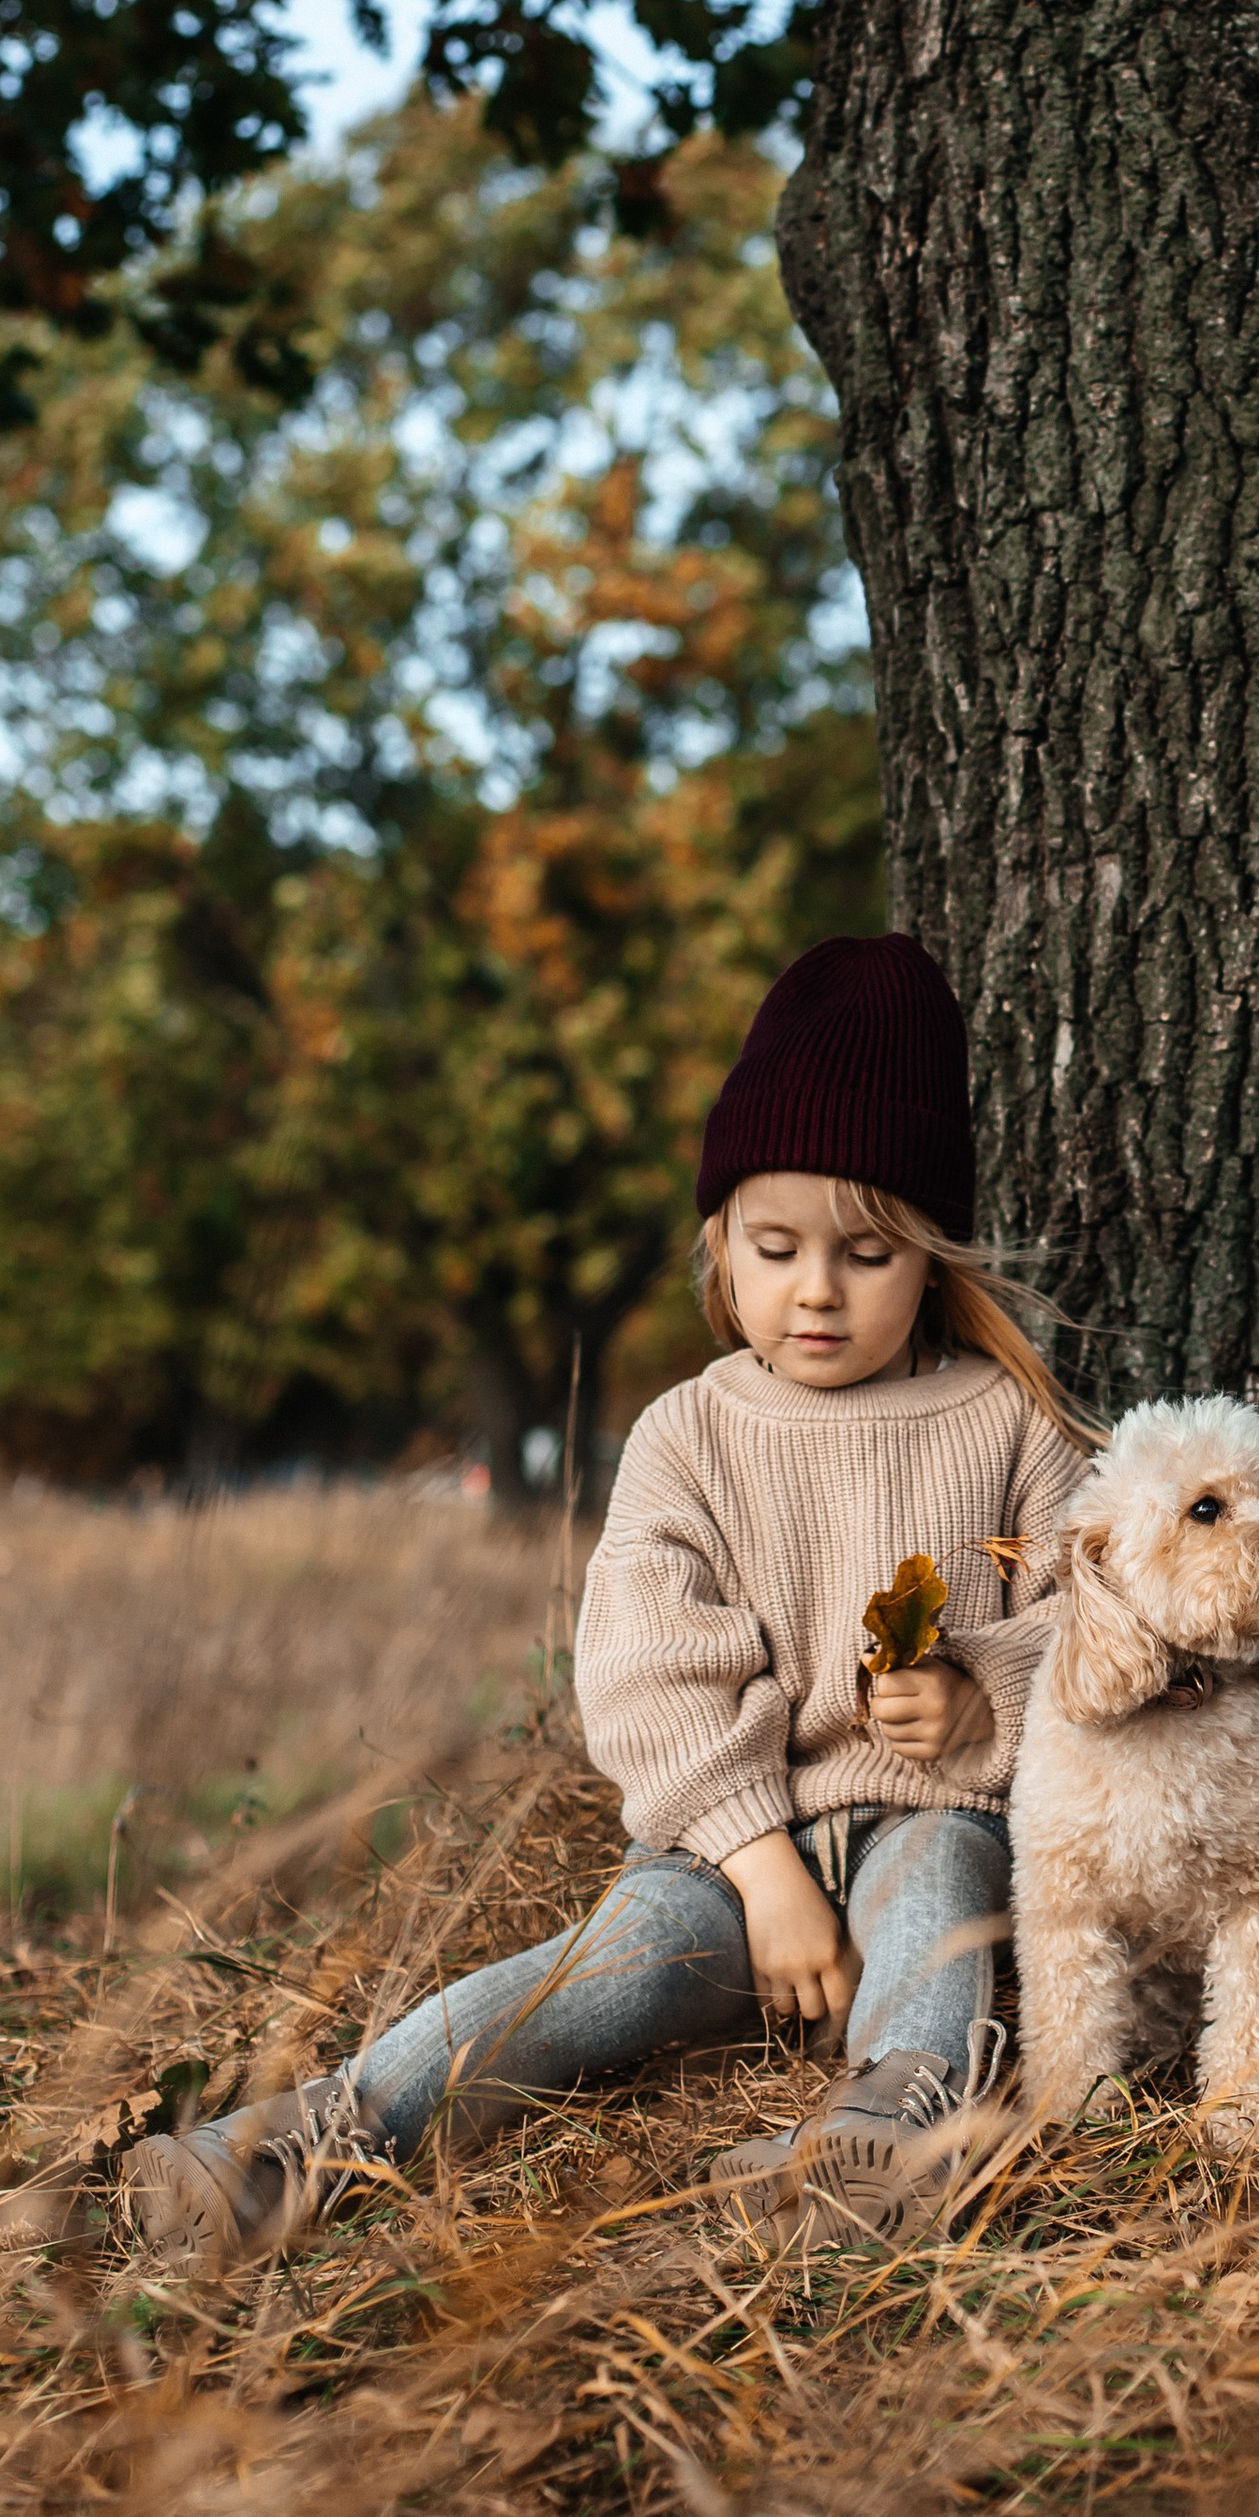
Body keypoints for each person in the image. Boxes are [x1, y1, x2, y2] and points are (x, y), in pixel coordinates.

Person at [121, 934, 1096, 2274]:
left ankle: (895, 2133)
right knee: (613, 1966)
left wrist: (983, 1682)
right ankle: (314, 2136)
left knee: (938, 1899)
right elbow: (643, 1667)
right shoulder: (689, 1435)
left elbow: (1094, 1624)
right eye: (776, 1246)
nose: (817, 1289)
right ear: (722, 1243)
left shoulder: (1007, 1419)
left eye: (869, 1252)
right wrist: (761, 1868)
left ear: (931, 1254)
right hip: (719, 1854)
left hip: (935, 1812)